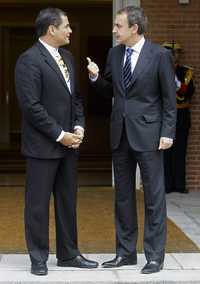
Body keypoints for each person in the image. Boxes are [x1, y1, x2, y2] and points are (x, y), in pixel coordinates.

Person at [87, 6, 176, 274]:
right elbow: (110, 91)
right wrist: (94, 77)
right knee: (123, 198)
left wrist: (167, 132)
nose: (114, 30)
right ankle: (125, 253)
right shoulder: (114, 54)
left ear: (134, 28)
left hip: (150, 136)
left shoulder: (159, 55)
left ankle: (154, 256)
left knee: (153, 197)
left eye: (118, 26)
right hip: (120, 135)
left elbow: (169, 99)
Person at [15, 7, 98, 276]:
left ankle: (69, 254)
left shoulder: (68, 58)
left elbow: (74, 98)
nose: (70, 30)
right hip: (43, 147)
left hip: (69, 146)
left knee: (67, 202)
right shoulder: (28, 60)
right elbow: (31, 106)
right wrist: (60, 135)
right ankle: (38, 257)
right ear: (52, 29)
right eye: (67, 26)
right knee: (37, 205)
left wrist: (79, 126)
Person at [162, 42, 195, 193]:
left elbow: (187, 93)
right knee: (165, 152)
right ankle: (167, 185)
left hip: (181, 115)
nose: (175, 55)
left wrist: (176, 82)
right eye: (172, 52)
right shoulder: (159, 70)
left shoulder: (185, 72)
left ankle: (179, 185)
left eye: (176, 53)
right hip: (164, 116)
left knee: (180, 152)